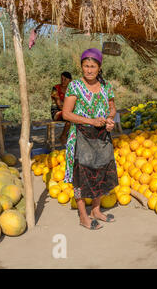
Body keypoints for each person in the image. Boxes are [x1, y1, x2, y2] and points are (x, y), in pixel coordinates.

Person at [62, 48, 118, 230]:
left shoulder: (106, 87)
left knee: (100, 172)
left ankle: (96, 210)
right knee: (80, 176)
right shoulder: (75, 86)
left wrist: (109, 120)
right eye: (86, 66)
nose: (89, 70)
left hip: (101, 138)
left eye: (93, 66)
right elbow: (66, 114)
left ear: (99, 67)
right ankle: (83, 215)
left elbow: (112, 109)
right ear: (81, 66)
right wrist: (90, 121)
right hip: (80, 137)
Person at [51, 71, 73, 145]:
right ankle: (63, 136)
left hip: (69, 111)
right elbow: (59, 105)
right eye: (61, 79)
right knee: (70, 117)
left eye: (65, 79)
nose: (62, 81)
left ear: (70, 80)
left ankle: (71, 136)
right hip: (56, 112)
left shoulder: (72, 89)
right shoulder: (55, 88)